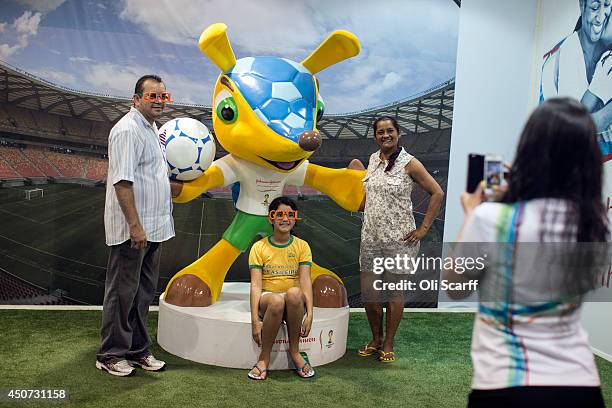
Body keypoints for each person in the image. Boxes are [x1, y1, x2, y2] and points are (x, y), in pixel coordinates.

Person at [444, 98, 608, 407]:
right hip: (581, 385)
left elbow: (455, 287)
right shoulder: (596, 225)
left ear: (529, 151)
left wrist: (471, 213)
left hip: (506, 384)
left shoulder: (492, 219)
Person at [96, 75, 175, 376]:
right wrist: (135, 226)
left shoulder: (152, 129)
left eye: (162, 96)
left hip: (156, 227)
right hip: (135, 230)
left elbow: (151, 174)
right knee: (122, 293)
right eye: (151, 95)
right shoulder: (128, 130)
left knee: (143, 293)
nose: (158, 100)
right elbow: (123, 181)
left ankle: (138, 350)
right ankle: (110, 354)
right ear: (136, 99)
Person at [355, 116, 444, 363]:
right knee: (370, 295)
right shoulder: (373, 160)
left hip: (400, 241)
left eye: (390, 130)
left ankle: (389, 342)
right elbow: (369, 197)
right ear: (375, 136)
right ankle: (376, 338)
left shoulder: (410, 163)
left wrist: (423, 229)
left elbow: (437, 192)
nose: (386, 135)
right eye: (381, 132)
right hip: (370, 238)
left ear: (398, 133)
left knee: (394, 294)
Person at [247, 196, 314, 380]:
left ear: (295, 218)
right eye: (280, 214)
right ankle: (264, 359)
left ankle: (295, 353)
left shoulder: (302, 246)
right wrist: (254, 320)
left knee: (293, 292)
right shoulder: (259, 247)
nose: (285, 219)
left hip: (293, 302)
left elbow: (306, 280)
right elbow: (256, 285)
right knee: (276, 300)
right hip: (268, 299)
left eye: (290, 214)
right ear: (271, 217)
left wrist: (310, 314)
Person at [540, 0, 612, 134]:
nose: (601, 17)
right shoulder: (561, 57)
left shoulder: (606, 57)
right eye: (595, 7)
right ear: (582, 5)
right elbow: (572, 127)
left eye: (607, 6)